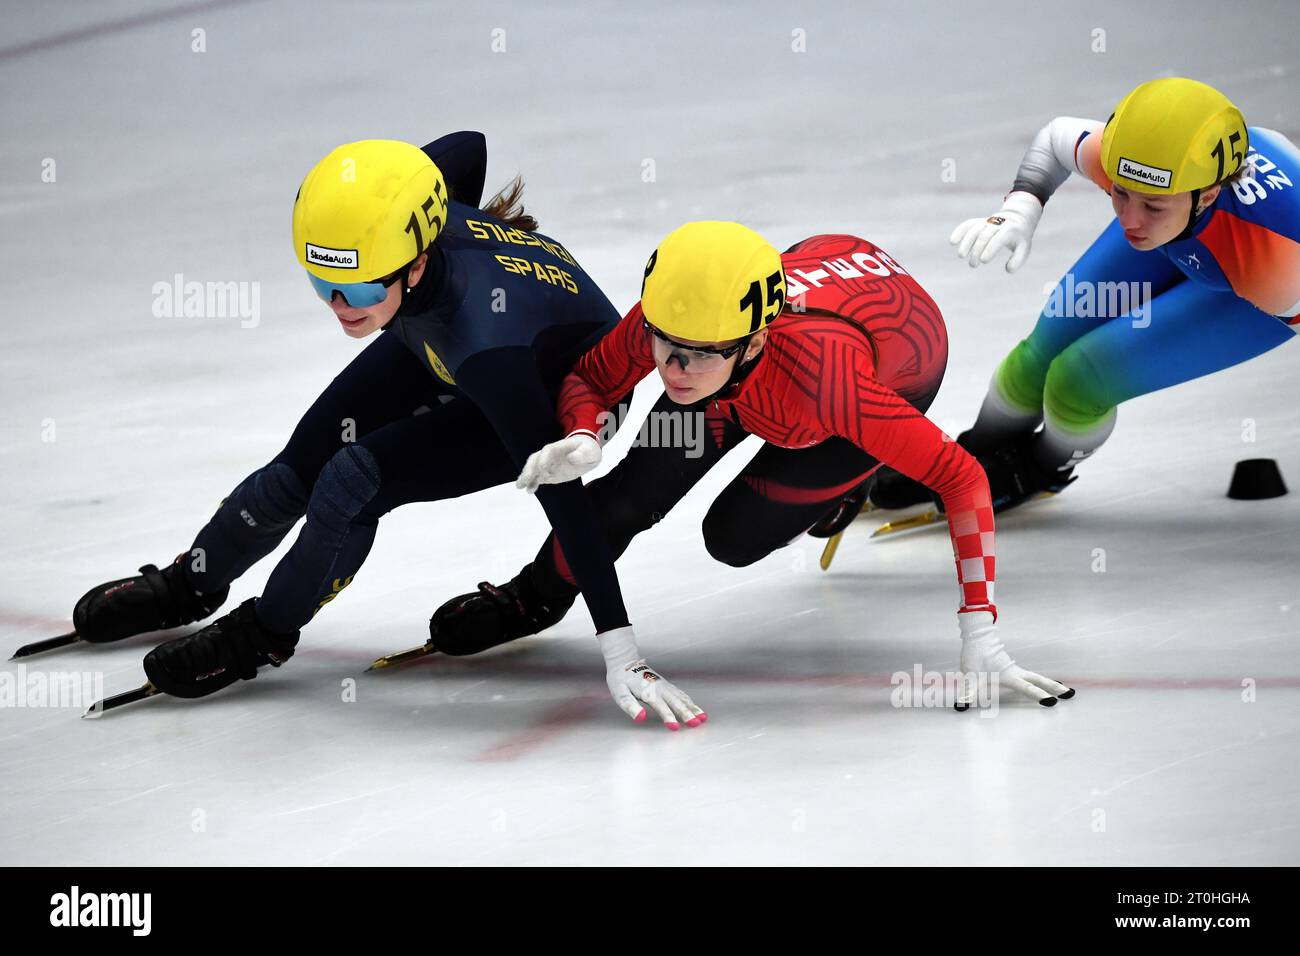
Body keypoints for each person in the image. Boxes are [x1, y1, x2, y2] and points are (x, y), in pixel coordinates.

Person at [66, 132, 697, 727]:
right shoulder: (409, 222)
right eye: (324, 285)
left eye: (358, 287)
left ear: (415, 265)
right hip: (439, 326)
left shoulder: (485, 345)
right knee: (299, 466)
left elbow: (568, 505)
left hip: (552, 400)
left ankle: (263, 634)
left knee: (350, 482)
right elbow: (466, 148)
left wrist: (621, 648)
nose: (341, 308)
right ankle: (190, 583)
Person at [423, 222, 1073, 708]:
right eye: (664, 347)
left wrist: (979, 629)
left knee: (732, 539)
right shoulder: (683, 316)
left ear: (757, 337)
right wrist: (587, 434)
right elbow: (594, 378)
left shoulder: (830, 384)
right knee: (624, 497)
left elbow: (961, 476)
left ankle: (852, 485)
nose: (673, 370)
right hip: (786, 332)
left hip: (878, 375)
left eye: (697, 354)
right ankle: (534, 598)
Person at [871, 77, 1300, 514]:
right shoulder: (1146, 168)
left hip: (1257, 282)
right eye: (1119, 193)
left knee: (1080, 381)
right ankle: (970, 454)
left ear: (1208, 194)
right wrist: (1021, 208)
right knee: (1037, 357)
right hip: (1191, 236)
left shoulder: (1279, 264)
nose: (1130, 219)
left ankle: (1039, 470)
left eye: (1151, 205)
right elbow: (1057, 139)